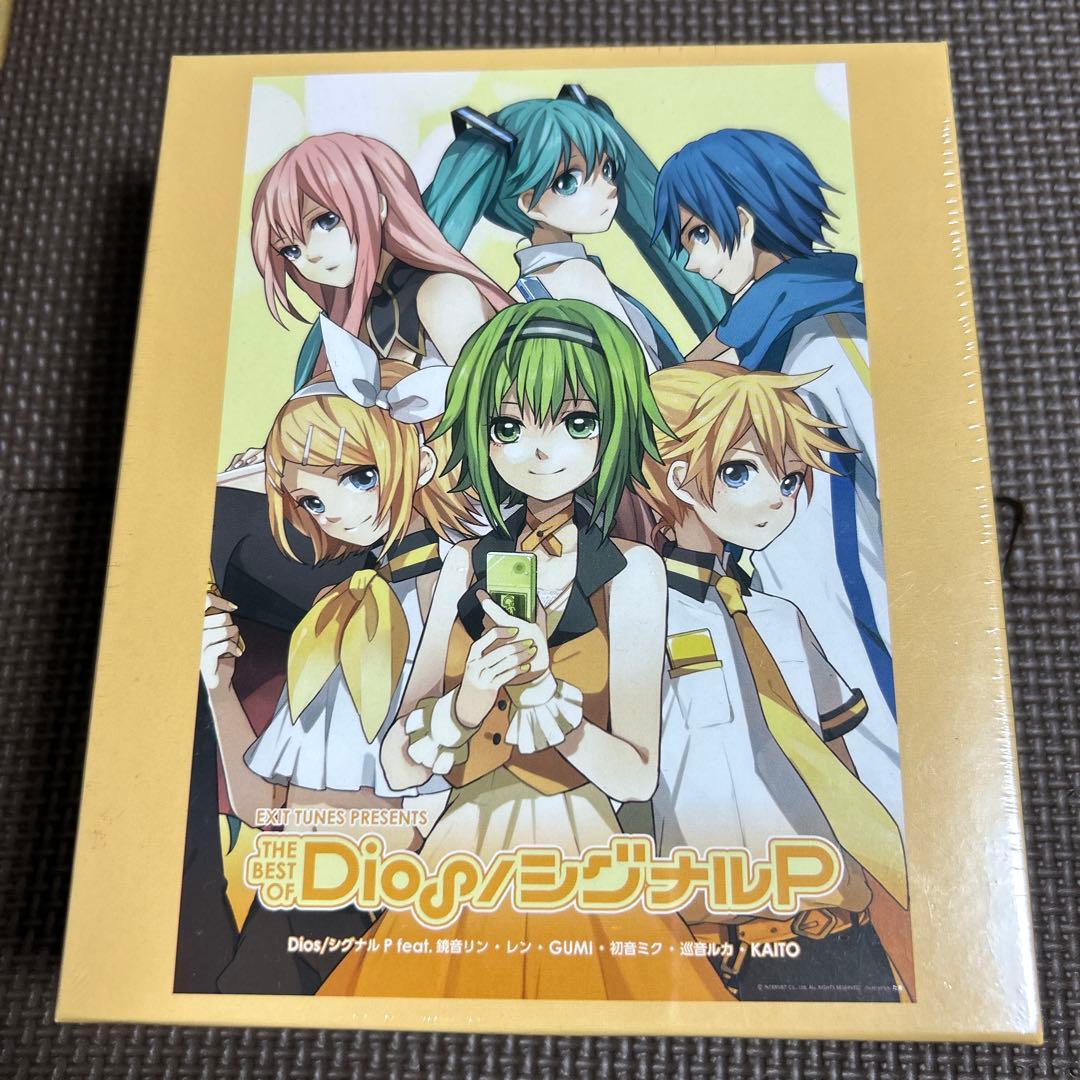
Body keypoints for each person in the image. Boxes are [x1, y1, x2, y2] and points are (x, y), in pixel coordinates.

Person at [317, 300, 730, 1001]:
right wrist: (468, 703)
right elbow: (395, 763)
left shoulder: (631, 571)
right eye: (508, 427)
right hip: (462, 848)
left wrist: (544, 696)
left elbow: (637, 778)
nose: (541, 451)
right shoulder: (464, 564)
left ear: (615, 427)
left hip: (581, 844)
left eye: (577, 423)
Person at [201, 316, 477, 991]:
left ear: (423, 460)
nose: (337, 514)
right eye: (312, 500)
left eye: (359, 478)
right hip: (287, 909)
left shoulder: (464, 590)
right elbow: (265, 806)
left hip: (391, 915)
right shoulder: (341, 611)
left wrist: (447, 603)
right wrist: (218, 687)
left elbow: (417, 764)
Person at [635, 360, 912, 1001]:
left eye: (788, 478)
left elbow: (840, 772)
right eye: (739, 472)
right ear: (677, 478)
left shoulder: (779, 619)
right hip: (711, 940)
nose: (775, 497)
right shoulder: (633, 616)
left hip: (842, 927)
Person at [653, 128, 902, 826]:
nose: (693, 261)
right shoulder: (769, 333)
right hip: (792, 601)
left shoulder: (828, 332)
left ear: (744, 219)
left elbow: (902, 464)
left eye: (700, 234)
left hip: (861, 601)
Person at [424, 85, 725, 373]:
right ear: (529, 203)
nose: (608, 187)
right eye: (569, 181)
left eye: (607, 170)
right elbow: (644, 382)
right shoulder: (573, 275)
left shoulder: (524, 292)